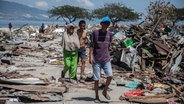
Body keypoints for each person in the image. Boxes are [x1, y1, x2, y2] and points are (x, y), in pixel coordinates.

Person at [89, 17, 113, 102]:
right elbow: (91, 45)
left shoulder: (110, 34)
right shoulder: (95, 33)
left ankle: (105, 91)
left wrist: (109, 55)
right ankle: (96, 97)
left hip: (106, 59)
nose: (106, 25)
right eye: (105, 23)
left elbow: (108, 46)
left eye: (108, 23)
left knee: (110, 76)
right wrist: (90, 56)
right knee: (96, 79)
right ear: (101, 23)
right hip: (96, 59)